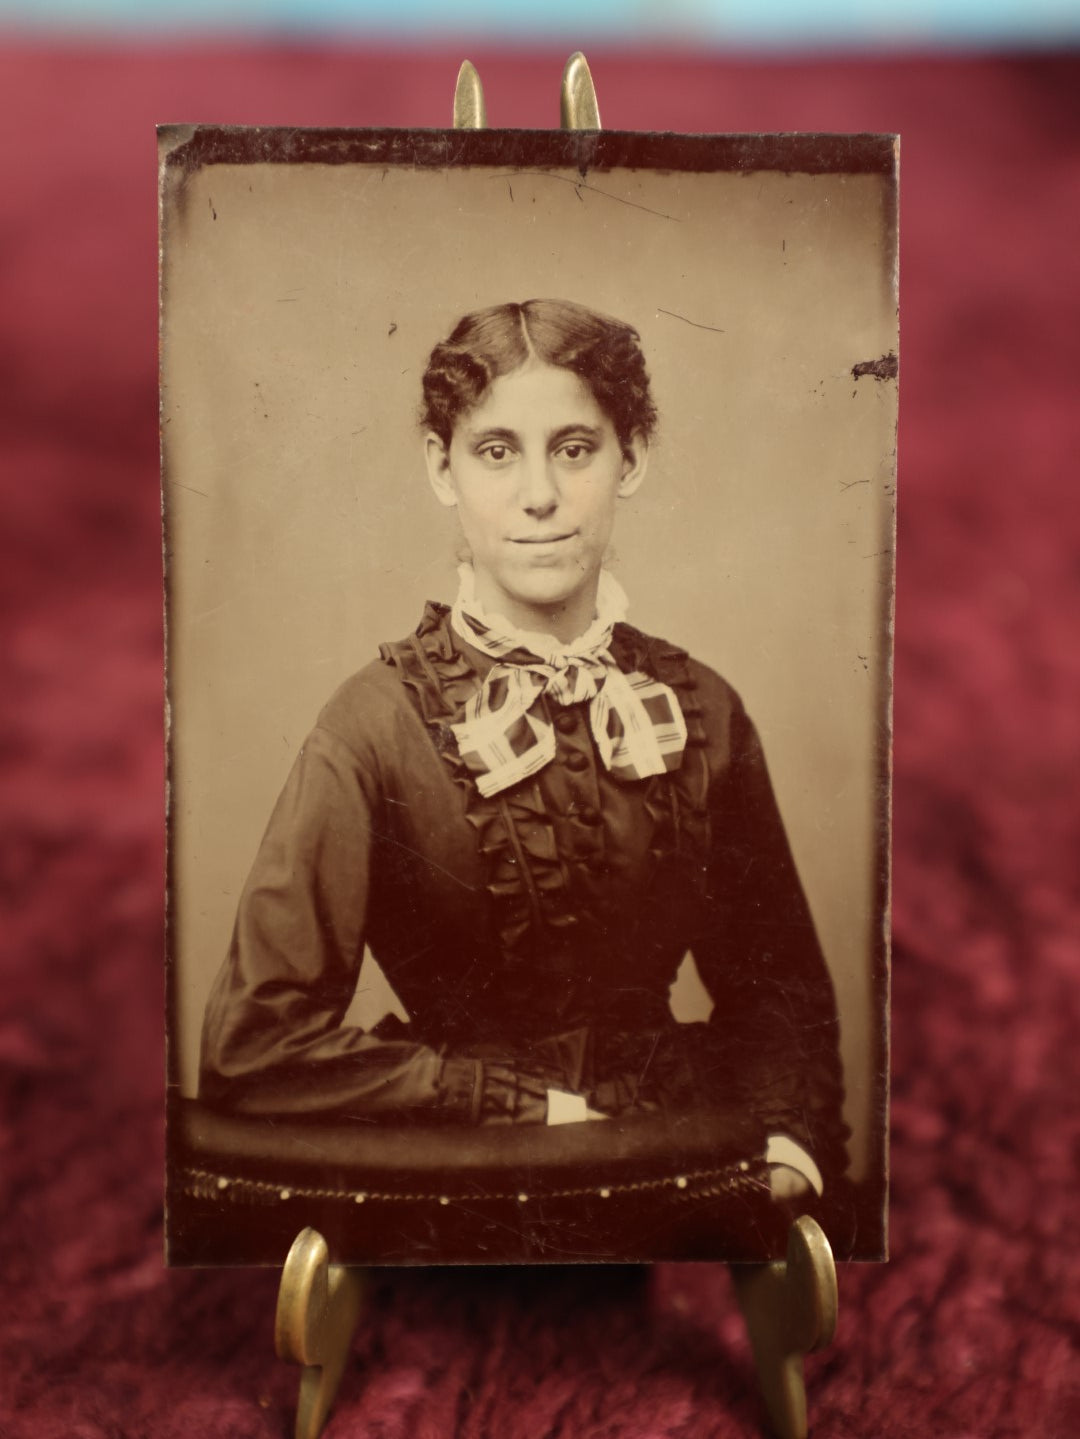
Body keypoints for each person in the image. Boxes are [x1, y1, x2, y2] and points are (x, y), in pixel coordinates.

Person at [198, 299, 849, 1204]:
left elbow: (779, 992)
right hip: (455, 1181)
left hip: (672, 1169)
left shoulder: (701, 710)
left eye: (575, 448)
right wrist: (503, 1101)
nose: (539, 494)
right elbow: (253, 1051)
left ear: (633, 456)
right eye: (496, 451)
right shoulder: (374, 726)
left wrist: (788, 1140)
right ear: (441, 466)